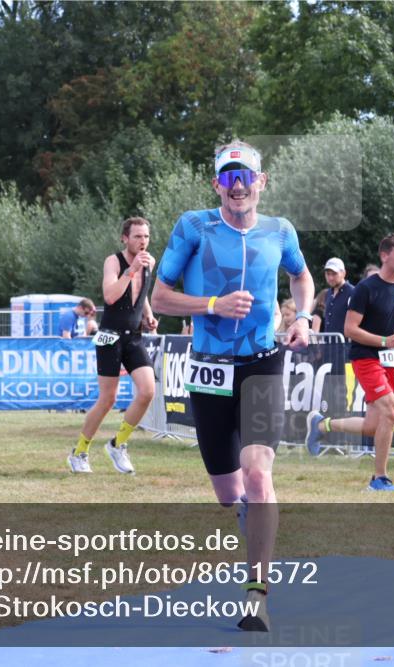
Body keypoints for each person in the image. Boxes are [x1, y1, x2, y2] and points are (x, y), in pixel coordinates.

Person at [151, 140, 313, 632]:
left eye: (246, 176)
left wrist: (303, 318)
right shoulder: (193, 226)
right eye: (228, 177)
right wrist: (211, 306)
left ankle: (256, 594)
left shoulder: (279, 231)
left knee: (258, 471)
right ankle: (250, 522)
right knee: (229, 493)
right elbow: (160, 298)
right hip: (210, 370)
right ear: (216, 183)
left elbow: (301, 279)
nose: (237, 185)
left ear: (262, 182)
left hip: (263, 365)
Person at [305, 233, 394, 491]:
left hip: (388, 360)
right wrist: (387, 341)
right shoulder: (367, 288)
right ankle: (379, 478)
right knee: (391, 410)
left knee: (372, 426)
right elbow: (350, 329)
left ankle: (322, 425)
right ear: (384, 255)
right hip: (365, 357)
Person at [68, 217, 158, 475]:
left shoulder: (149, 262)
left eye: (146, 237)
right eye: (137, 237)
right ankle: (79, 452)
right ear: (125, 238)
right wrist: (131, 271)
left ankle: (118, 444)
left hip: (134, 336)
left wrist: (147, 315)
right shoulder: (113, 261)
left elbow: (142, 294)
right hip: (110, 336)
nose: (142, 242)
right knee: (108, 399)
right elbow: (110, 295)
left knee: (148, 391)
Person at [322, 257, 355, 335]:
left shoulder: (353, 292)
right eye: (328, 274)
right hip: (328, 344)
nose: (330, 277)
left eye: (334, 273)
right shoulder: (329, 293)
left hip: (346, 345)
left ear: (344, 273)